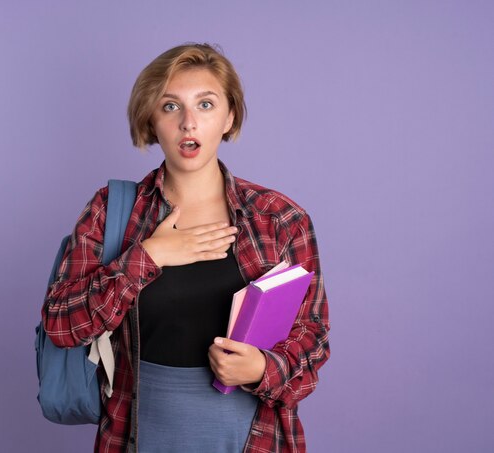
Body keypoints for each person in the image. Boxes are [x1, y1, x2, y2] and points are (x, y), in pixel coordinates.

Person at [42, 43, 330, 453]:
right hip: (139, 433)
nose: (189, 123)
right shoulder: (113, 211)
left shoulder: (280, 218)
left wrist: (263, 368)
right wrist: (150, 256)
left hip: (251, 437)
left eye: (206, 104)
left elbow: (313, 338)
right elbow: (61, 324)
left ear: (229, 117)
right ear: (151, 120)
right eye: (171, 106)